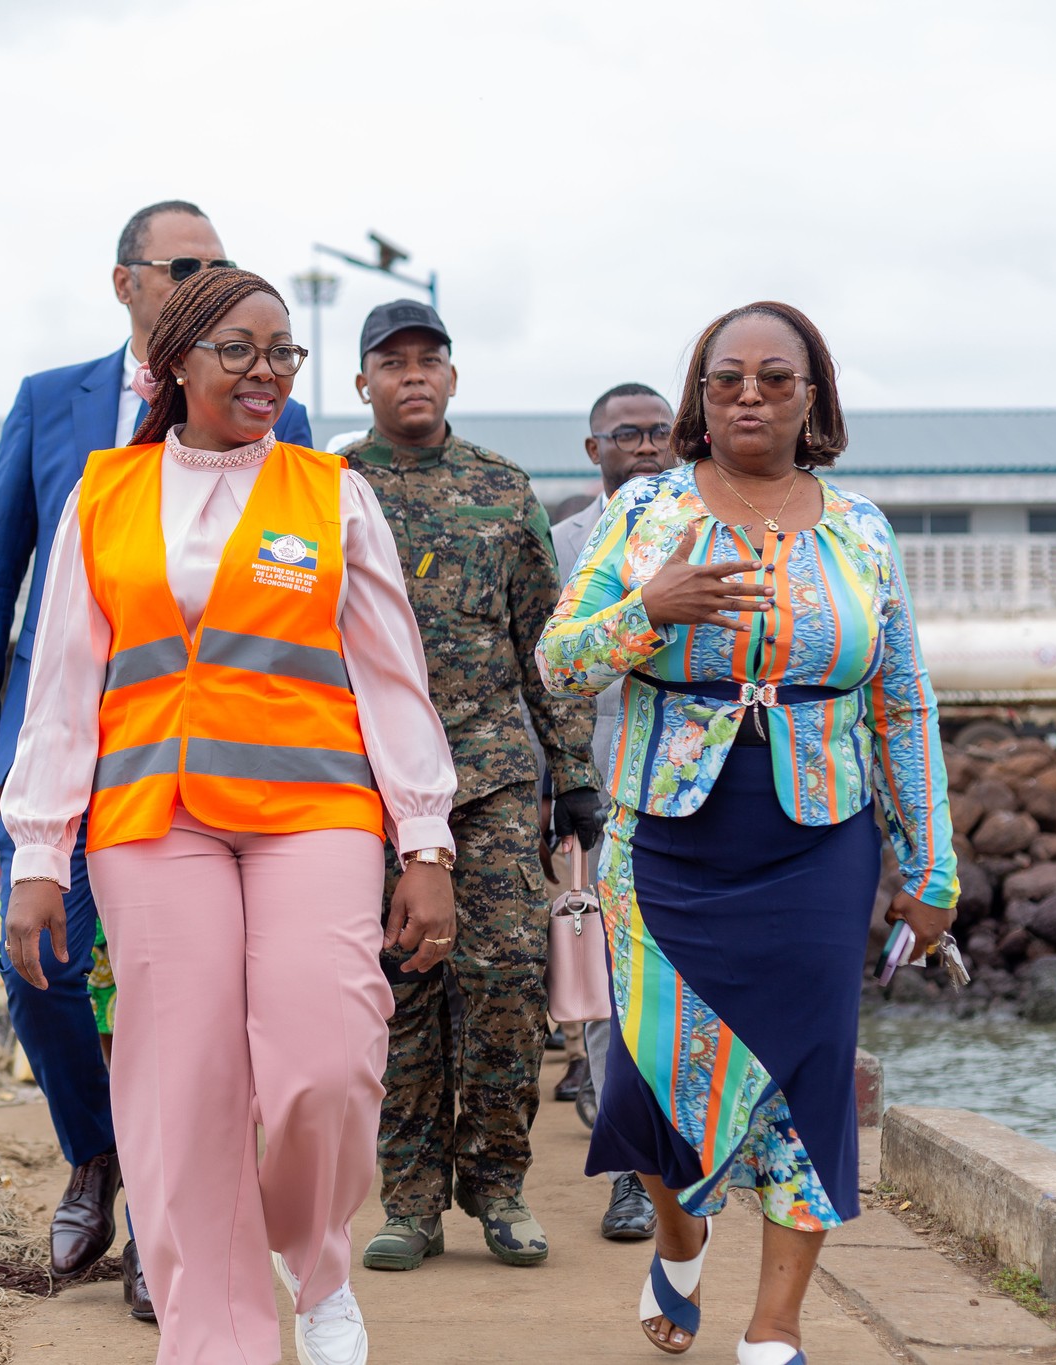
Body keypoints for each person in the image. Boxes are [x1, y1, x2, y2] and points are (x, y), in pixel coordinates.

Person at [1, 267, 454, 1365]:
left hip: (312, 808)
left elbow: (391, 679)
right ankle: (216, 1339)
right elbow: (64, 686)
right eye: (240, 351)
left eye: (282, 353)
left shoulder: (330, 491)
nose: (266, 373)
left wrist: (425, 838)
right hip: (151, 818)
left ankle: (316, 1264)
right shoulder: (103, 495)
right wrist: (36, 853)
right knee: (180, 1086)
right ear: (175, 364)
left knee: (326, 1059)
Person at [537, 302, 958, 1365]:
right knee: (640, 1073)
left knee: (805, 1065)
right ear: (698, 393)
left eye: (776, 378)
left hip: (817, 835)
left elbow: (901, 700)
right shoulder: (645, 510)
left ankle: (773, 1324)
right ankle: (678, 1238)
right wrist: (650, 607)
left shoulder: (861, 527)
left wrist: (930, 866)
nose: (749, 395)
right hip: (665, 836)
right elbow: (556, 661)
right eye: (727, 378)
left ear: (812, 394)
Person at [0, 201, 312, 1315]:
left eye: (223, 265)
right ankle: (96, 1152)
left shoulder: (276, 415)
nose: (207, 281)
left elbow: (303, 589)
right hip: (62, 736)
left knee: (194, 993)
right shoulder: (51, 402)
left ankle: (168, 1216)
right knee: (38, 964)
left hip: (212, 751)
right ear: (125, 284)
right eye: (184, 266)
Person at [337, 300, 603, 1276]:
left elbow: (546, 639)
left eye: (428, 361)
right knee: (401, 995)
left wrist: (569, 771)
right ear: (361, 382)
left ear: (451, 377)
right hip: (365, 789)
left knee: (501, 987)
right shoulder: (332, 488)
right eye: (390, 362)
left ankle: (497, 1186)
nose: (412, 376)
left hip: (488, 780)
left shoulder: (500, 489)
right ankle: (408, 1202)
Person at [548, 379, 676, 1244]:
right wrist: (560, 786)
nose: (647, 446)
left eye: (661, 431)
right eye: (626, 433)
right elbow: (543, 665)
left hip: (696, 791)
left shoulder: (708, 524)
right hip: (593, 797)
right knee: (606, 987)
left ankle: (689, 1157)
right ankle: (631, 1175)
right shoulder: (559, 543)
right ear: (593, 449)